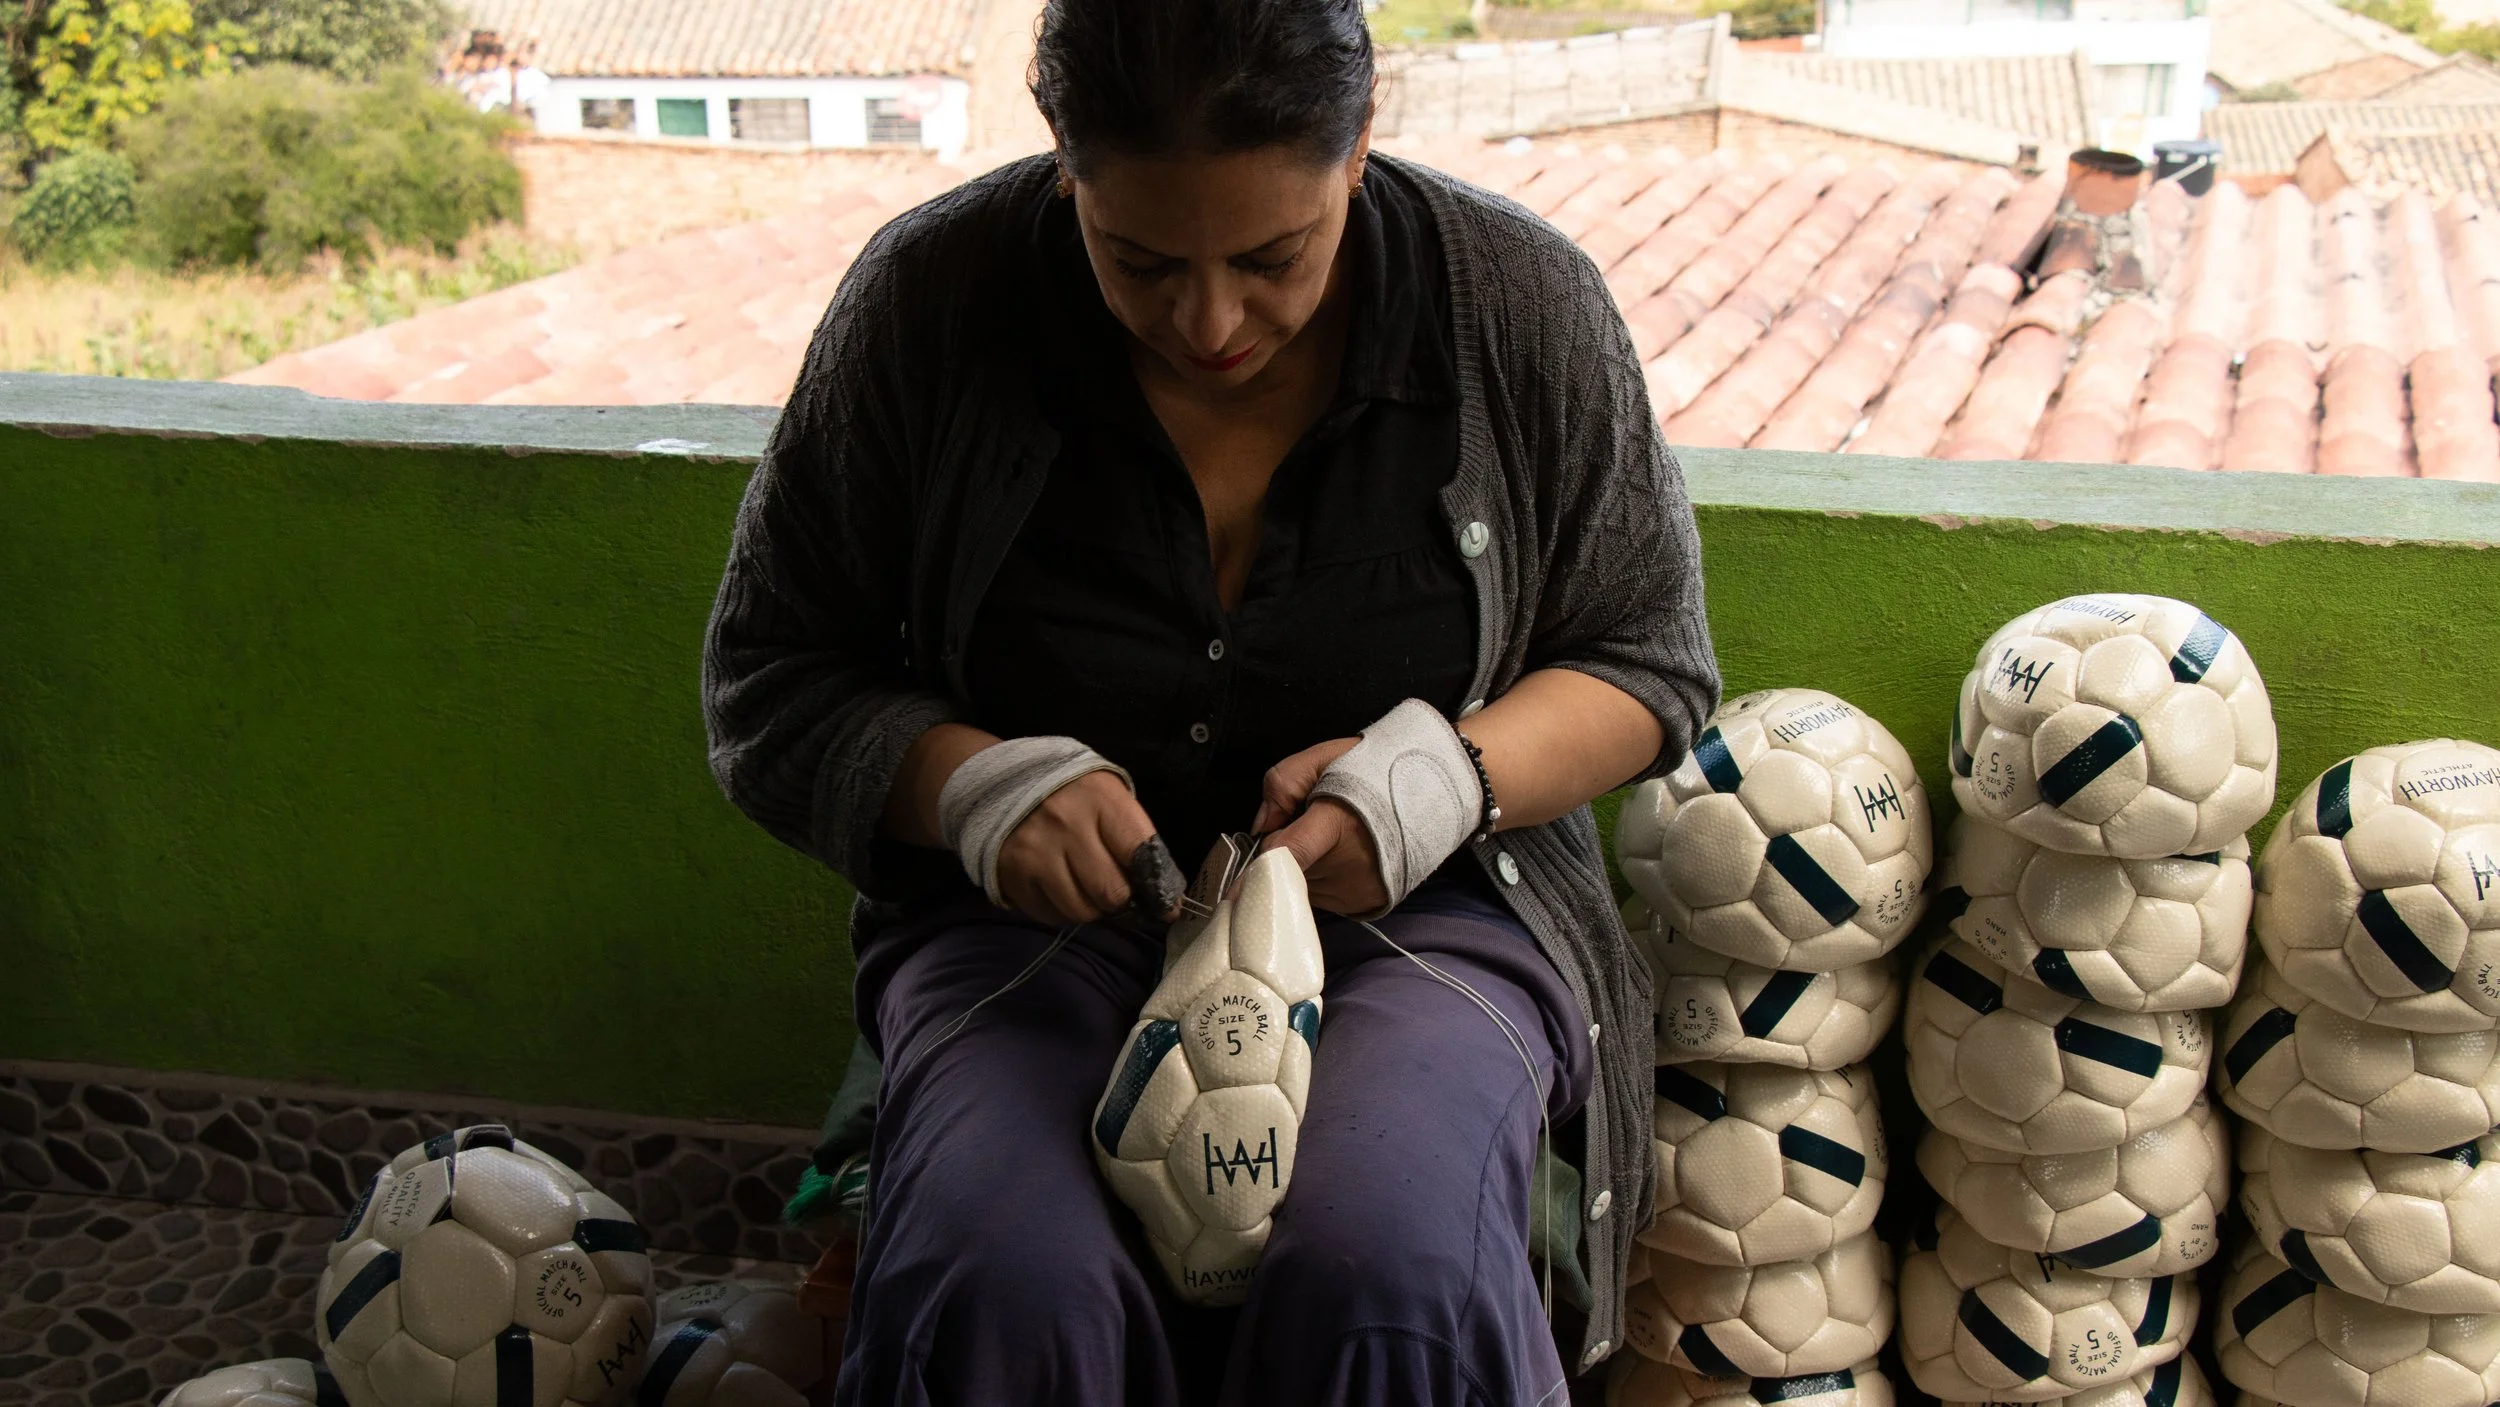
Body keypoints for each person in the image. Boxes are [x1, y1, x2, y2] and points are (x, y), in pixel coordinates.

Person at [700, 0, 1718, 1399]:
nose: (1211, 321)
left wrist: (1438, 783)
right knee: (1007, 1275)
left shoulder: (1515, 307)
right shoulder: (934, 301)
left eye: (1272, 256)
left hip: (1423, 918)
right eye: (1139, 261)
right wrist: (971, 788)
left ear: (1360, 147)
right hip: (1034, 937)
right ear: (1065, 162)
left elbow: (1650, 655)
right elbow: (768, 675)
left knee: (1389, 1270)